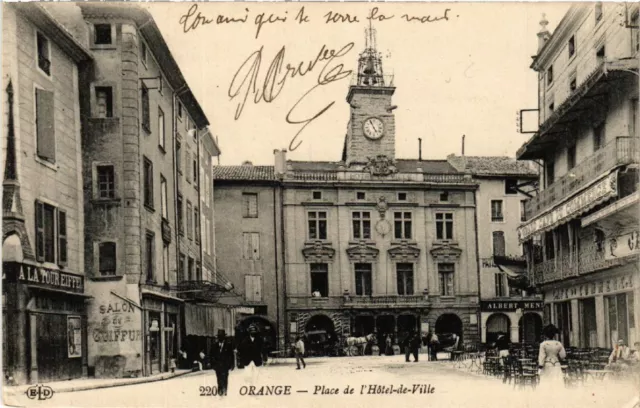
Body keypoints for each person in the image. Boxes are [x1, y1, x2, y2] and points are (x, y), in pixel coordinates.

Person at [538, 324, 567, 390]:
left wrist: (540, 367)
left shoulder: (543, 344)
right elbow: (563, 356)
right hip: (556, 364)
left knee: (547, 383)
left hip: (547, 364)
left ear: (546, 334)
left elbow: (541, 357)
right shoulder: (558, 343)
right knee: (557, 383)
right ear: (554, 335)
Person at [210, 329, 235, 396]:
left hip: (225, 366)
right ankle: (220, 392)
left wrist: (232, 365)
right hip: (217, 366)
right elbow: (211, 355)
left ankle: (224, 390)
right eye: (219, 336)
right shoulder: (214, 346)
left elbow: (231, 356)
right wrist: (213, 365)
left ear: (224, 337)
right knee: (218, 379)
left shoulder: (228, 346)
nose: (220, 338)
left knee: (225, 378)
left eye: (221, 336)